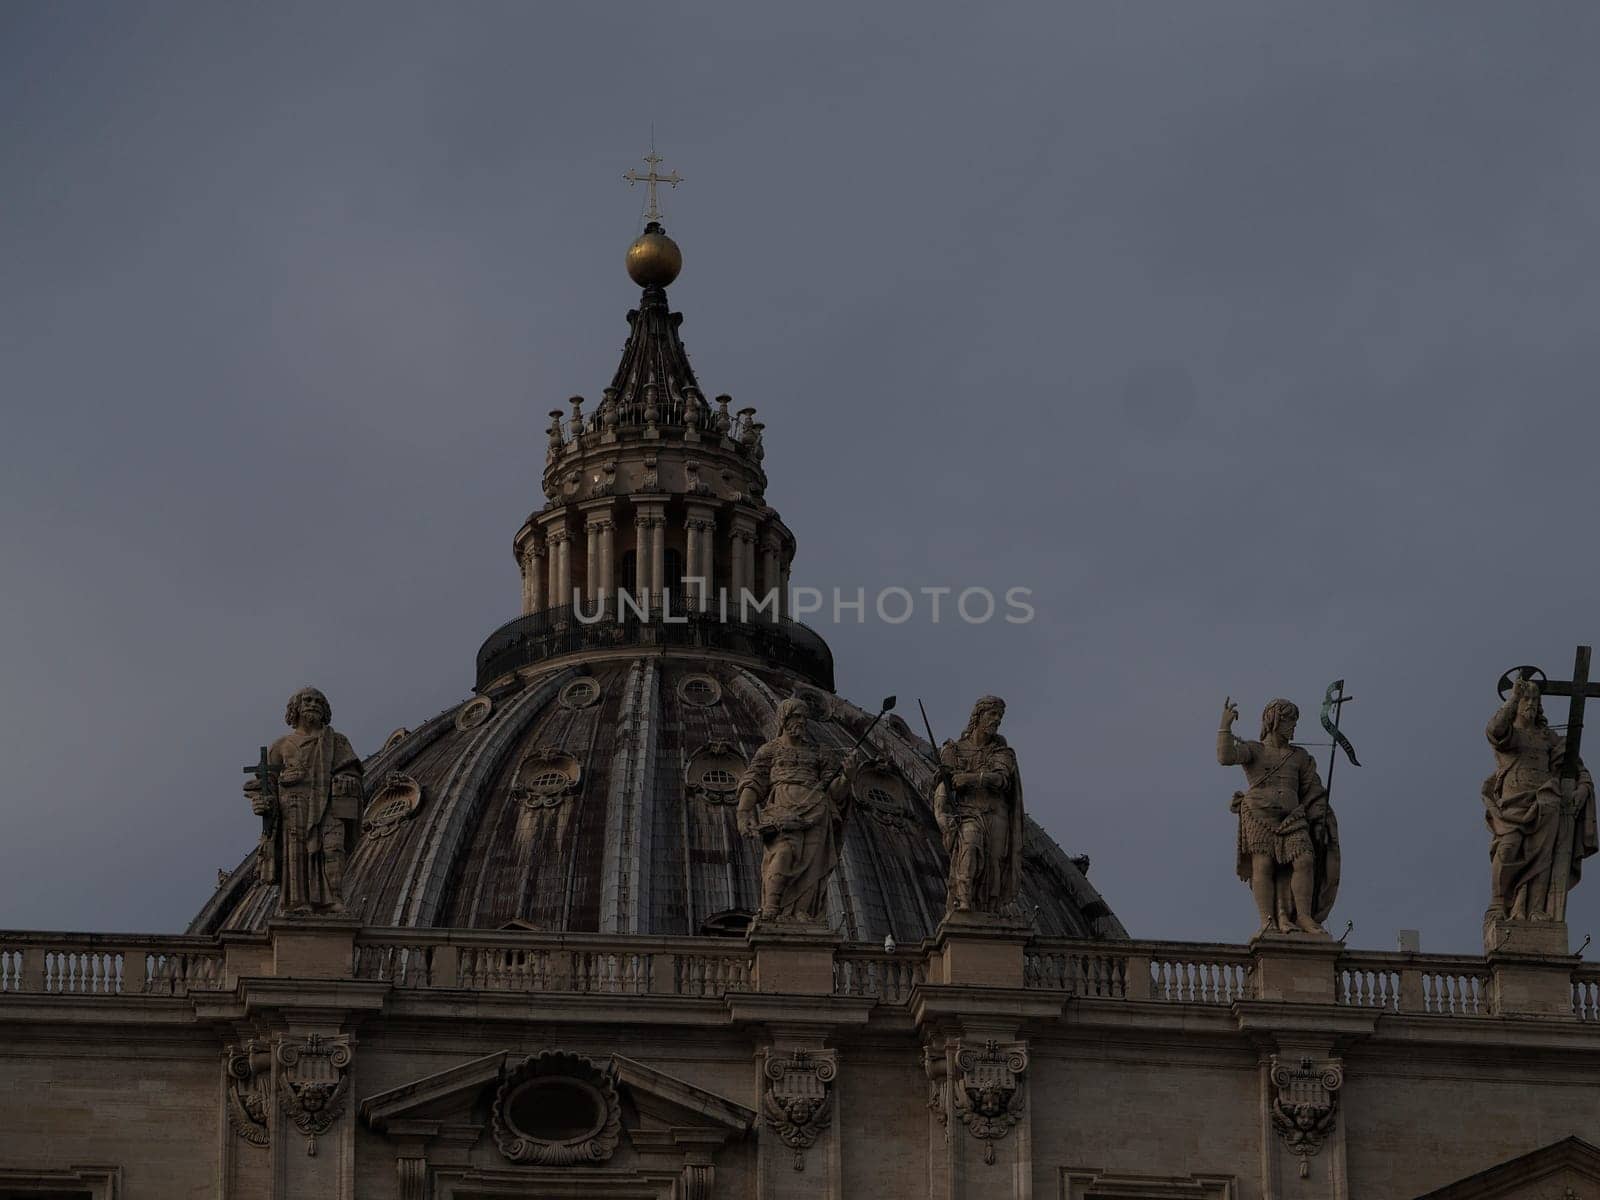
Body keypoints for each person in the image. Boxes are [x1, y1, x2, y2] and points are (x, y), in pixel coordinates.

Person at [1218, 697, 1339, 935]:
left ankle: (1303, 917)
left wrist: (1320, 815)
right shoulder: (1255, 749)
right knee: (1263, 865)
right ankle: (1268, 920)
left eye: (1294, 721)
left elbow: (1313, 789)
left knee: (1304, 860)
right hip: (1259, 813)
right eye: (1288, 721)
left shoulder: (1300, 757)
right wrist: (1225, 726)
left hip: (1293, 818)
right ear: (1273, 720)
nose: (1293, 726)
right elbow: (1225, 757)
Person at [736, 698, 860, 922]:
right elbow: (754, 781)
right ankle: (773, 907)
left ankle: (801, 911)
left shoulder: (820, 751)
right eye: (796, 716)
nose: (802, 721)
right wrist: (743, 812)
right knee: (783, 854)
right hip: (782, 811)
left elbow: (835, 791)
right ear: (784, 719)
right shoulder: (771, 750)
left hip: (816, 813)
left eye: (804, 717)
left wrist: (847, 776)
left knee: (812, 869)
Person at [1483, 677, 1596, 921]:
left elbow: (1577, 767)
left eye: (1535, 699)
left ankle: (1535, 908)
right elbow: (1494, 730)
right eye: (1527, 698)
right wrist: (1513, 698)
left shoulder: (1547, 737)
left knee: (1544, 857)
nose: (1531, 704)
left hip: (1546, 803)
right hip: (1512, 805)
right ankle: (1499, 904)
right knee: (1508, 849)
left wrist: (1582, 789)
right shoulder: (1510, 734)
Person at [245, 687, 364, 915]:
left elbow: (352, 773)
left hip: (329, 805)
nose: (313, 704)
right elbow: (264, 783)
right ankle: (297, 903)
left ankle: (333, 899)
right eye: (307, 700)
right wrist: (261, 802)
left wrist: (347, 779)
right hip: (294, 806)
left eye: (319, 701)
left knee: (333, 850)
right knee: (296, 855)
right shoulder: (281, 746)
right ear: (295, 708)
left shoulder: (337, 742)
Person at [933, 695, 1024, 915]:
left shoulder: (1003, 753)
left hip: (996, 814)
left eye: (1000, 716)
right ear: (978, 715)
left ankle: (990, 910)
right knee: (969, 849)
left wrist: (971, 779)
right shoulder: (953, 750)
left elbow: (1002, 779)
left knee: (994, 865)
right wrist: (941, 812)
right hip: (968, 814)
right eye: (992, 714)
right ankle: (964, 902)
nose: (997, 720)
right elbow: (943, 783)